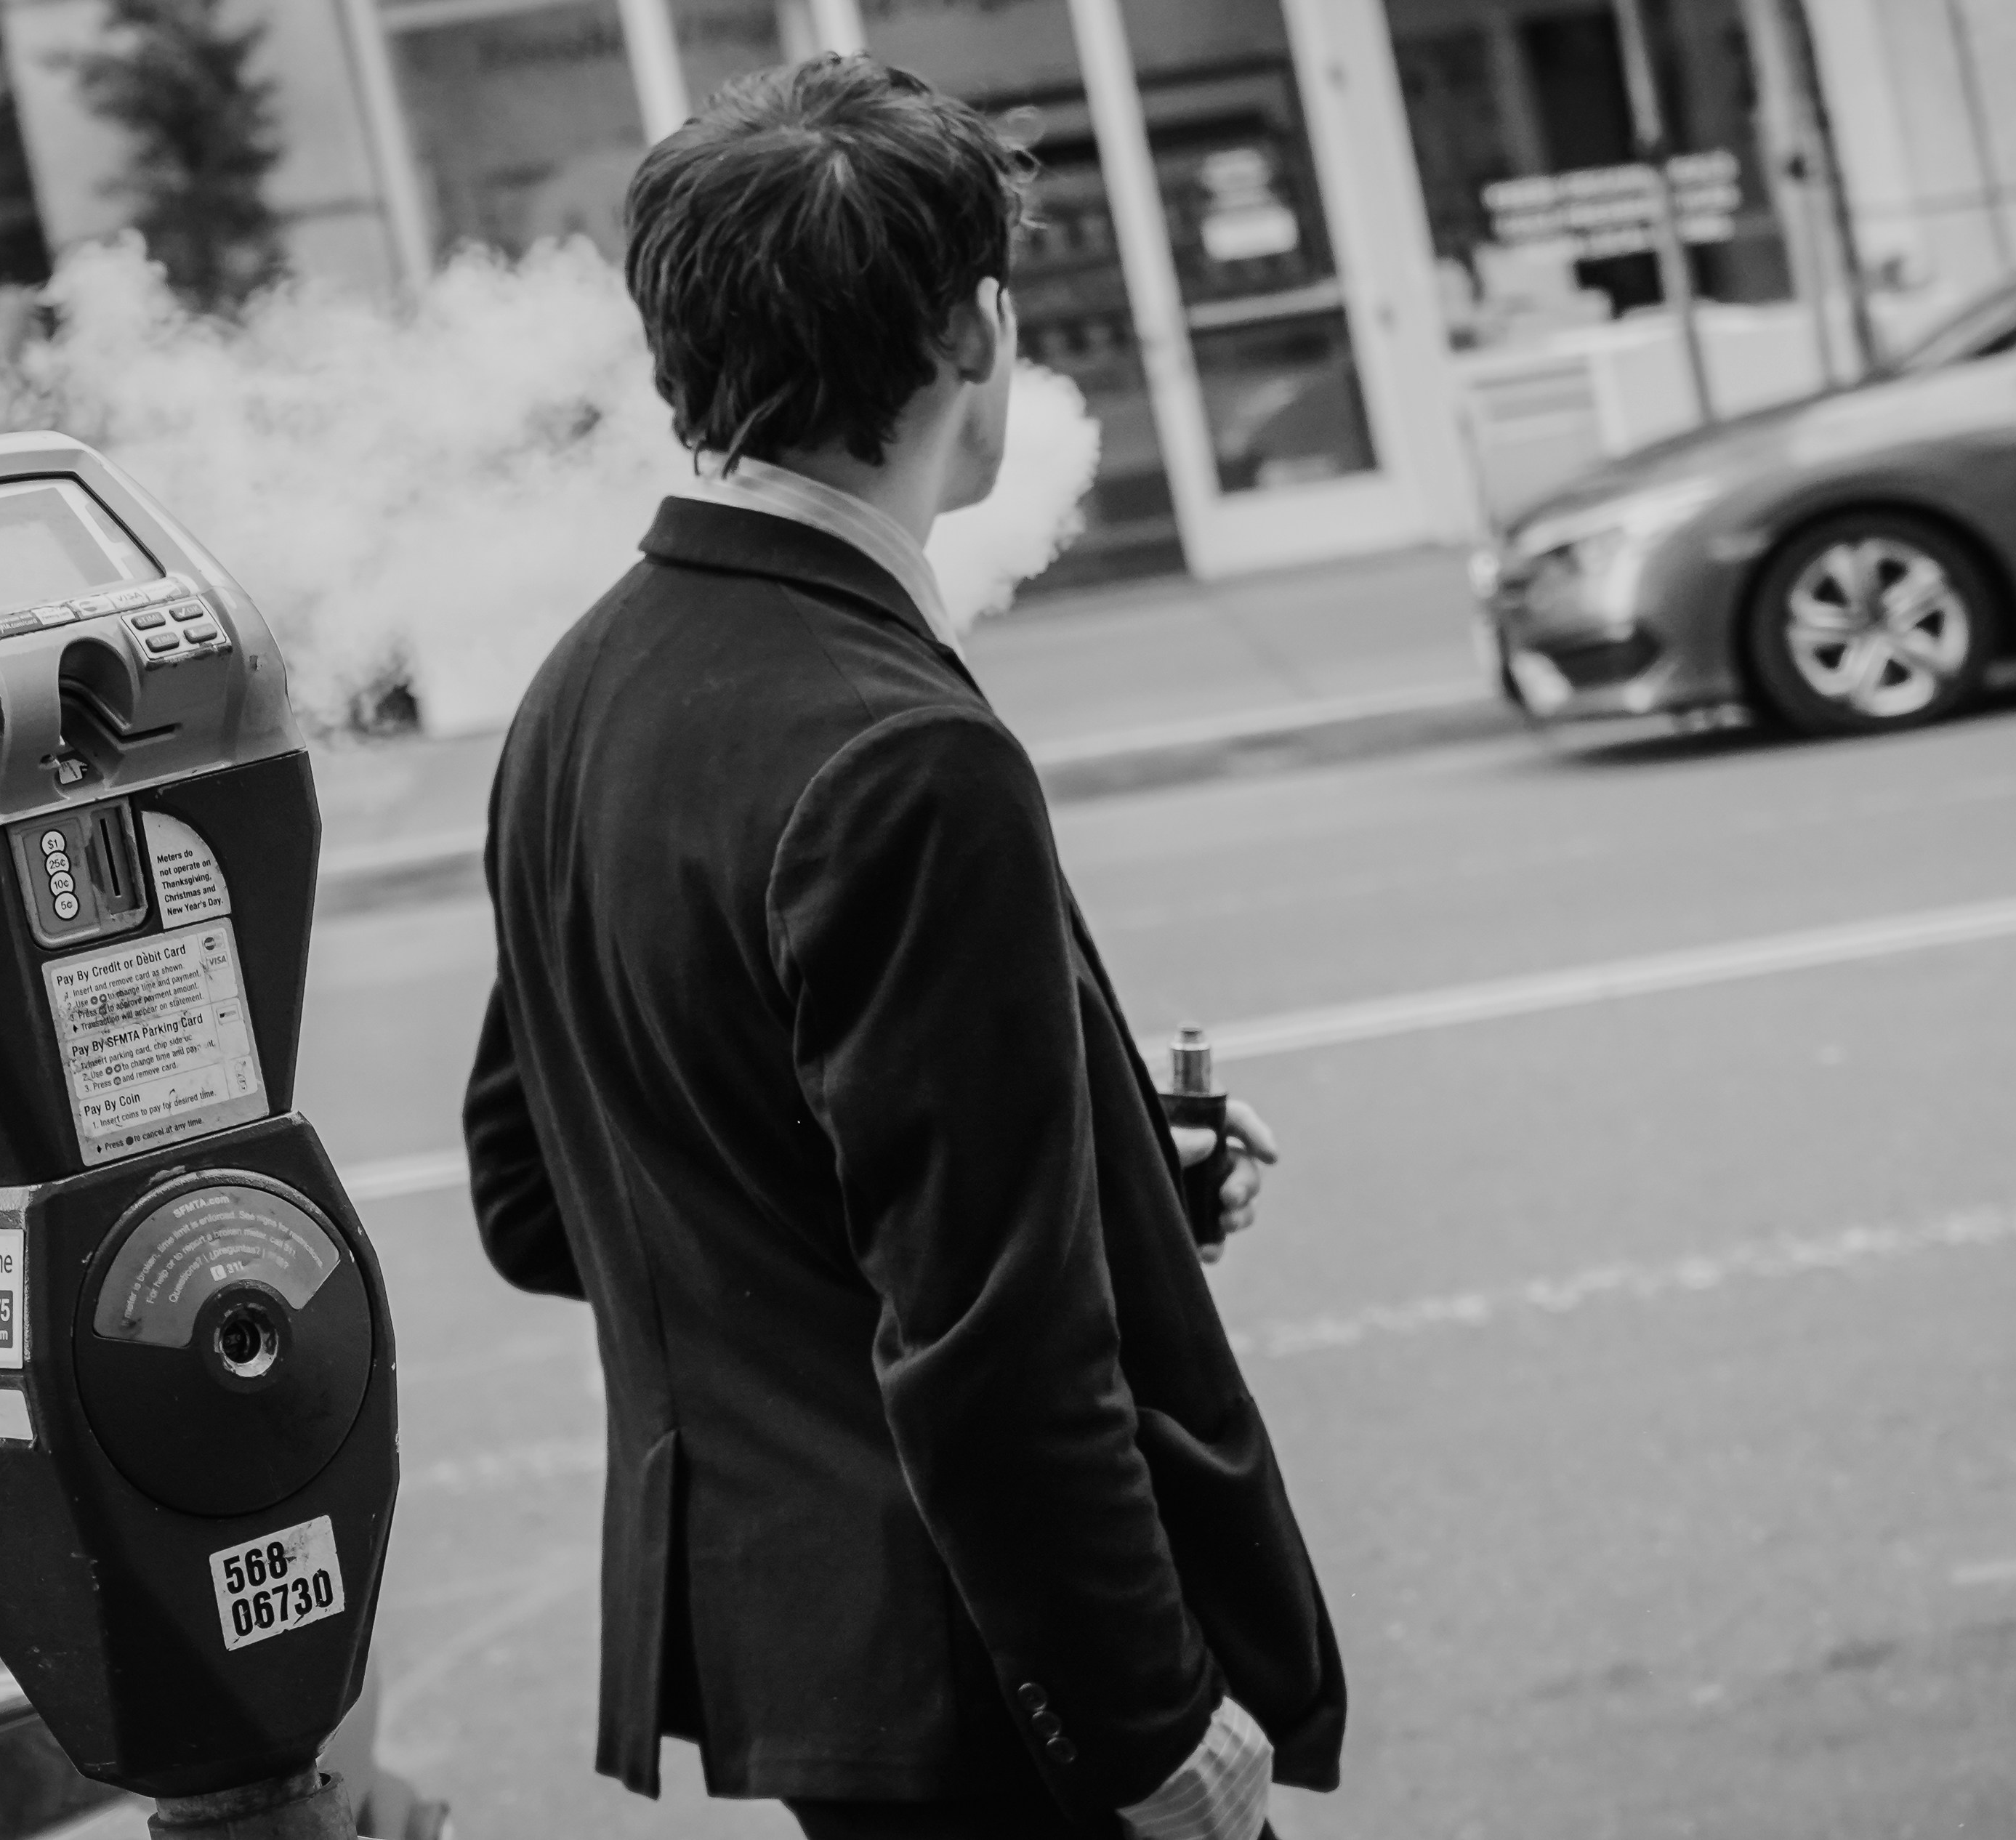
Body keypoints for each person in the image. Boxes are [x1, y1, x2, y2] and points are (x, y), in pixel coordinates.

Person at [461, 52, 1343, 1840]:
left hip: (819, 1673)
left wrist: (1102, 1170)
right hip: (995, 1700)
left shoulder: (578, 690)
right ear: (975, 332)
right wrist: (1151, 1736)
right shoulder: (902, 754)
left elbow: (544, 1195)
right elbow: (992, 1350)